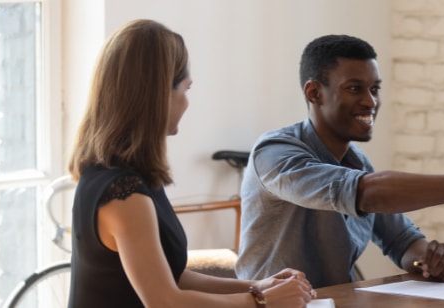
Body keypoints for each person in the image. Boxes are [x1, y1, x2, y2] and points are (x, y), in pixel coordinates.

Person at [235, 34, 444, 288]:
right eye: (355, 89)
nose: (371, 102)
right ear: (314, 93)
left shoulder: (356, 161)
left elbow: (402, 240)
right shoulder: (275, 152)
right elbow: (368, 193)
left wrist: (425, 259)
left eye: (375, 89)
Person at [67, 19, 315, 307]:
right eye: (185, 89)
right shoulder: (124, 194)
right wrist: (262, 303)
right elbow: (164, 301)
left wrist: (257, 286)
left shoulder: (119, 175)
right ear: (158, 96)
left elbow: (170, 276)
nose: (187, 102)